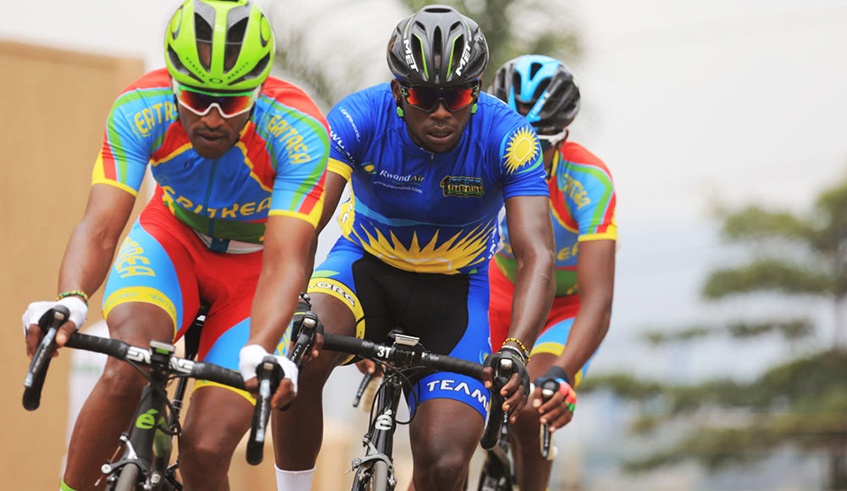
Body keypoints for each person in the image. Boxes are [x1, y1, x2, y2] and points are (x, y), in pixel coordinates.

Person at [20, 1, 328, 489]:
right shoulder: (141, 105)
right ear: (173, 81)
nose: (210, 116)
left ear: (258, 90)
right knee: (127, 369)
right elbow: (101, 226)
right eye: (196, 97)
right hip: (172, 244)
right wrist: (70, 299)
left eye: (229, 103)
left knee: (205, 449)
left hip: (253, 273)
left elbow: (287, 259)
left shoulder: (299, 130)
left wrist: (262, 346)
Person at [257, 5, 557, 491]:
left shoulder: (509, 136)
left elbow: (537, 254)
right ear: (398, 90)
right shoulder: (358, 117)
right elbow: (305, 223)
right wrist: (294, 307)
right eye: (423, 95)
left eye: (457, 96)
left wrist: (517, 350)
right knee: (302, 357)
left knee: (443, 464)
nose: (441, 112)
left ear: (476, 90)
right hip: (362, 271)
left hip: (455, 295)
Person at [486, 54, 617, 490]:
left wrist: (559, 374)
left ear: (562, 136)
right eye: (513, 140)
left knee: (530, 404)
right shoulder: (476, 160)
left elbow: (598, 299)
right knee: (447, 410)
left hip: (562, 310)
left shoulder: (588, 178)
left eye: (539, 145)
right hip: (499, 290)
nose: (525, 156)